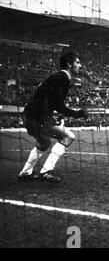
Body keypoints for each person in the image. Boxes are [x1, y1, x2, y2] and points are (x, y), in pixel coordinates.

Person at [17, 50, 88, 183]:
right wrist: (77, 114)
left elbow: (51, 102)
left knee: (44, 143)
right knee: (68, 136)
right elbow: (58, 105)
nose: (80, 65)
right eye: (77, 62)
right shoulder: (62, 78)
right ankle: (46, 171)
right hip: (36, 117)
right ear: (69, 64)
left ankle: (25, 173)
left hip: (31, 115)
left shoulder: (59, 77)